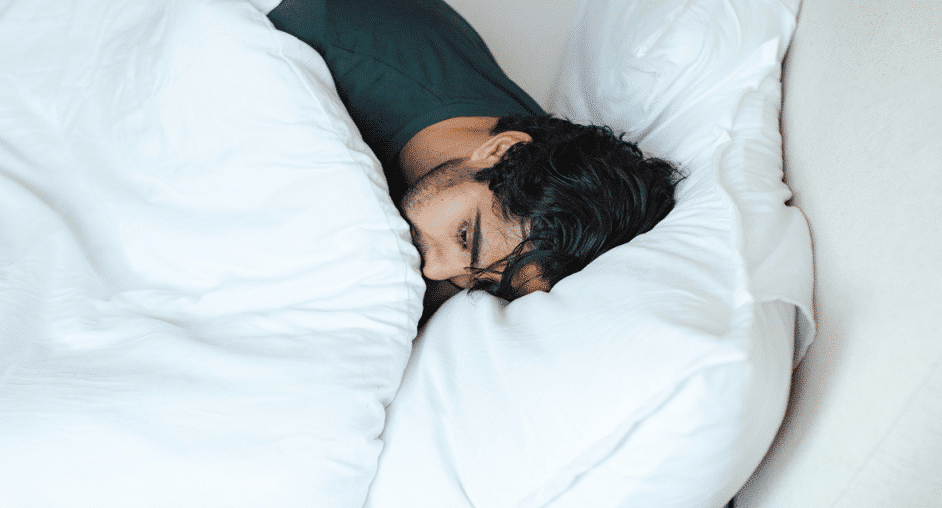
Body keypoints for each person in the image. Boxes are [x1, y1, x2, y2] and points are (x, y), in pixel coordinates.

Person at [267, 0, 681, 313]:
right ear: (500, 150)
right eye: (465, 235)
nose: (436, 273)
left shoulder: (535, 167)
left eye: (481, 283)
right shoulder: (318, 42)